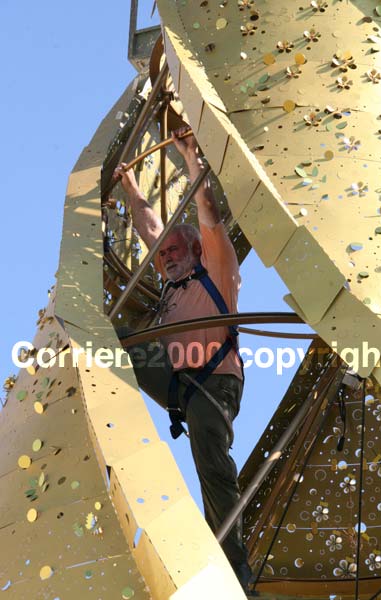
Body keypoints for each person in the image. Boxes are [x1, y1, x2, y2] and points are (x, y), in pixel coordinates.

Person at [113, 127, 253, 592]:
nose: (166, 257)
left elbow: (207, 214)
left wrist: (192, 158)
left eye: (176, 250)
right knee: (111, 337)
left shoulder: (216, 269)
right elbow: (149, 226)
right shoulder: (171, 285)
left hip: (215, 384)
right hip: (177, 381)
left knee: (210, 460)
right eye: (163, 254)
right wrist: (130, 185)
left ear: (194, 250)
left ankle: (235, 570)